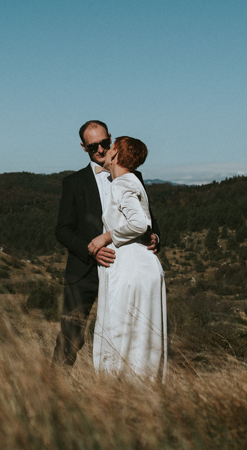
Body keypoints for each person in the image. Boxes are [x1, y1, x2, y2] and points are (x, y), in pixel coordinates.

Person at [52, 120, 159, 368]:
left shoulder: (134, 176)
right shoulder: (74, 182)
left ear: (110, 139)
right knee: (71, 336)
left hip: (126, 272)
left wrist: (155, 236)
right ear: (83, 148)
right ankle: (52, 395)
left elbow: (147, 218)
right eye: (93, 147)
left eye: (104, 143)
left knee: (126, 335)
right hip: (84, 274)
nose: (100, 150)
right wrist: (92, 250)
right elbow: (63, 230)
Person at [90, 135, 167, 380]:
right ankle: (144, 387)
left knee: (121, 329)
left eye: (110, 148)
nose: (105, 151)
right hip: (144, 266)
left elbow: (139, 223)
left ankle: (120, 388)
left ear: (116, 155)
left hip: (131, 269)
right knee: (143, 334)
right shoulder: (133, 182)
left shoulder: (122, 183)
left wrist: (106, 237)